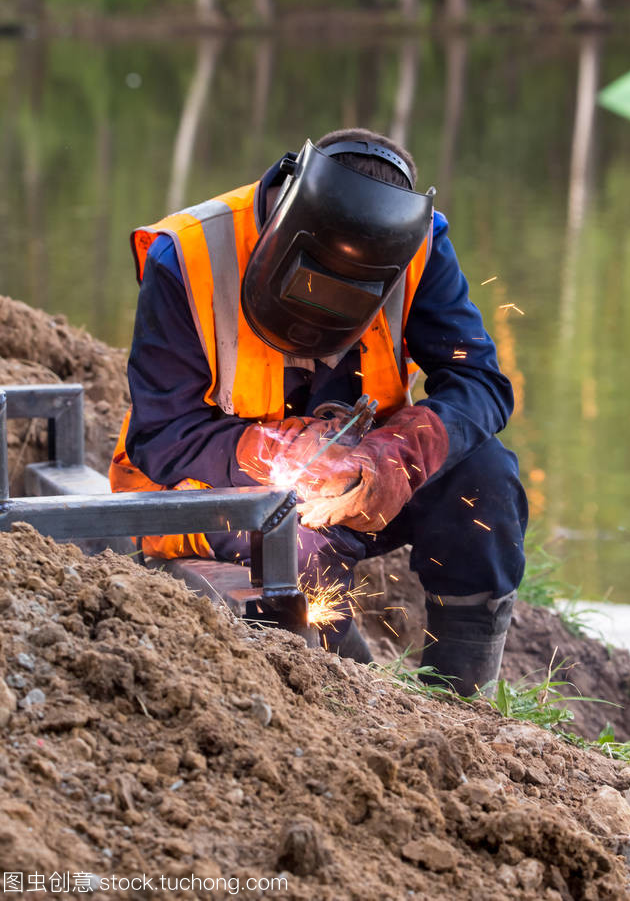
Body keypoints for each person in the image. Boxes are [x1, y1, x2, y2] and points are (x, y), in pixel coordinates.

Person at [110, 128, 528, 694]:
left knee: (486, 479)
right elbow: (160, 435)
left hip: (360, 478)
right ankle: (354, 688)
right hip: (209, 491)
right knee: (294, 541)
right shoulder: (186, 256)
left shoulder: (418, 246)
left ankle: (463, 697)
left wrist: (395, 455)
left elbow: (480, 382)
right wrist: (270, 451)